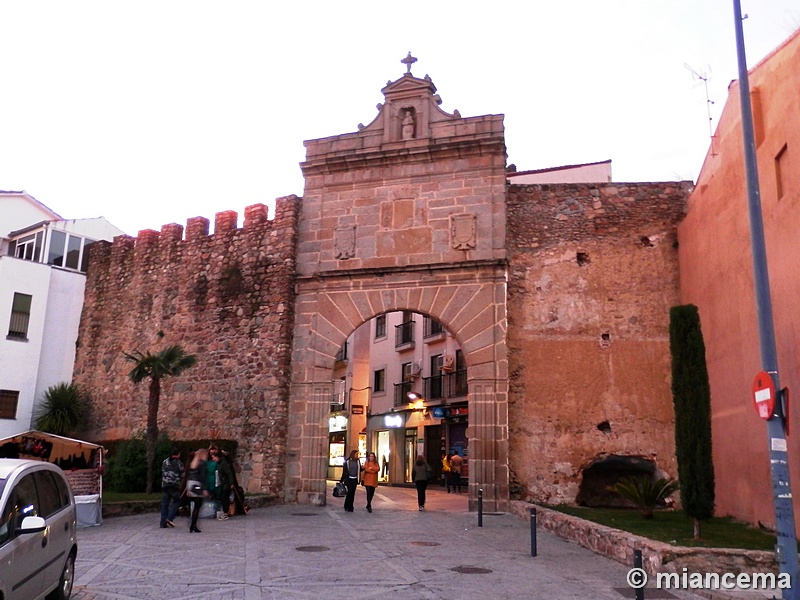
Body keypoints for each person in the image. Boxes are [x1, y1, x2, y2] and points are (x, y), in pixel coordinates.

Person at [186, 448, 209, 532]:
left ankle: (193, 524)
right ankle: (193, 525)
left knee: (193, 505)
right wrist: (205, 488)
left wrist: (188, 489)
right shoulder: (202, 463)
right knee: (197, 506)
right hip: (198, 484)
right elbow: (203, 477)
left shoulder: (193, 463)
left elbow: (188, 475)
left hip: (190, 484)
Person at [160, 447, 183, 528]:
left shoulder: (165, 461)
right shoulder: (178, 463)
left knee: (165, 503)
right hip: (174, 485)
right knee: (177, 501)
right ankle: (169, 518)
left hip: (165, 484)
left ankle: (162, 522)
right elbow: (182, 474)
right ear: (178, 454)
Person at [215, 449, 235, 518]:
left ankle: (226, 513)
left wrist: (231, 483)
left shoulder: (223, 464)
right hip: (224, 483)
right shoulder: (221, 463)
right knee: (223, 498)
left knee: (224, 498)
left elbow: (229, 473)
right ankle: (225, 512)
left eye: (214, 458)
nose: (214, 459)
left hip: (226, 484)